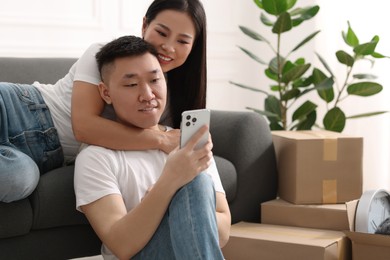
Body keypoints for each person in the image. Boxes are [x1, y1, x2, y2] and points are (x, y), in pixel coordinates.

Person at [0, 0, 209, 203]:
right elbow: (84, 128)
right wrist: (162, 139)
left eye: (182, 41)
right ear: (145, 25)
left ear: (194, 45)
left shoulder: (170, 98)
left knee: (16, 180)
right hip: (16, 110)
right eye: (162, 33)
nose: (168, 47)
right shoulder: (104, 56)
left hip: (37, 157)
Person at [74, 35, 230, 259]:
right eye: (131, 84)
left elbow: (223, 232)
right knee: (195, 181)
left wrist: (180, 206)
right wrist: (169, 183)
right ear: (106, 93)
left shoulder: (187, 143)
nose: (148, 95)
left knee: (197, 182)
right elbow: (121, 245)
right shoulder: (95, 157)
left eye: (155, 80)